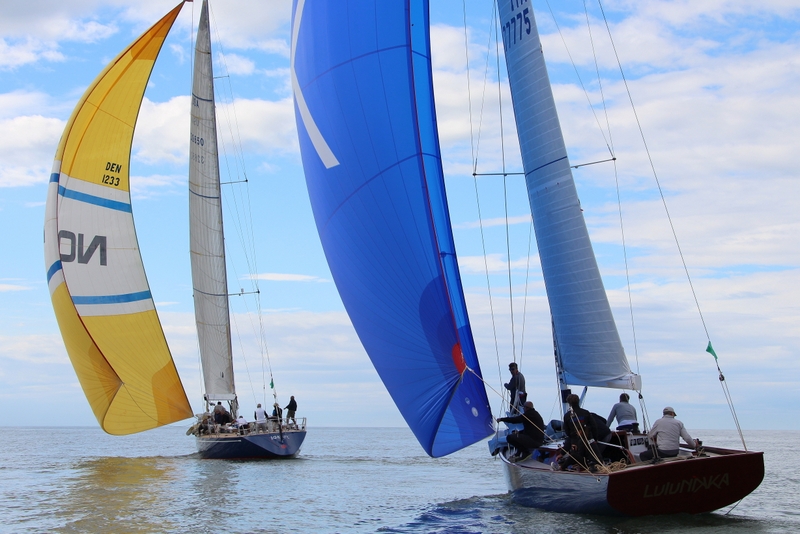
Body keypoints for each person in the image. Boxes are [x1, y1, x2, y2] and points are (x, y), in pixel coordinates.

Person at [557, 394, 600, 471]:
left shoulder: (567, 416)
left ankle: (563, 467)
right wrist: (595, 439)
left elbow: (568, 432)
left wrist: (562, 453)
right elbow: (594, 427)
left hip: (575, 441)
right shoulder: (586, 413)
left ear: (569, 403)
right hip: (588, 439)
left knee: (574, 456)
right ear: (578, 402)